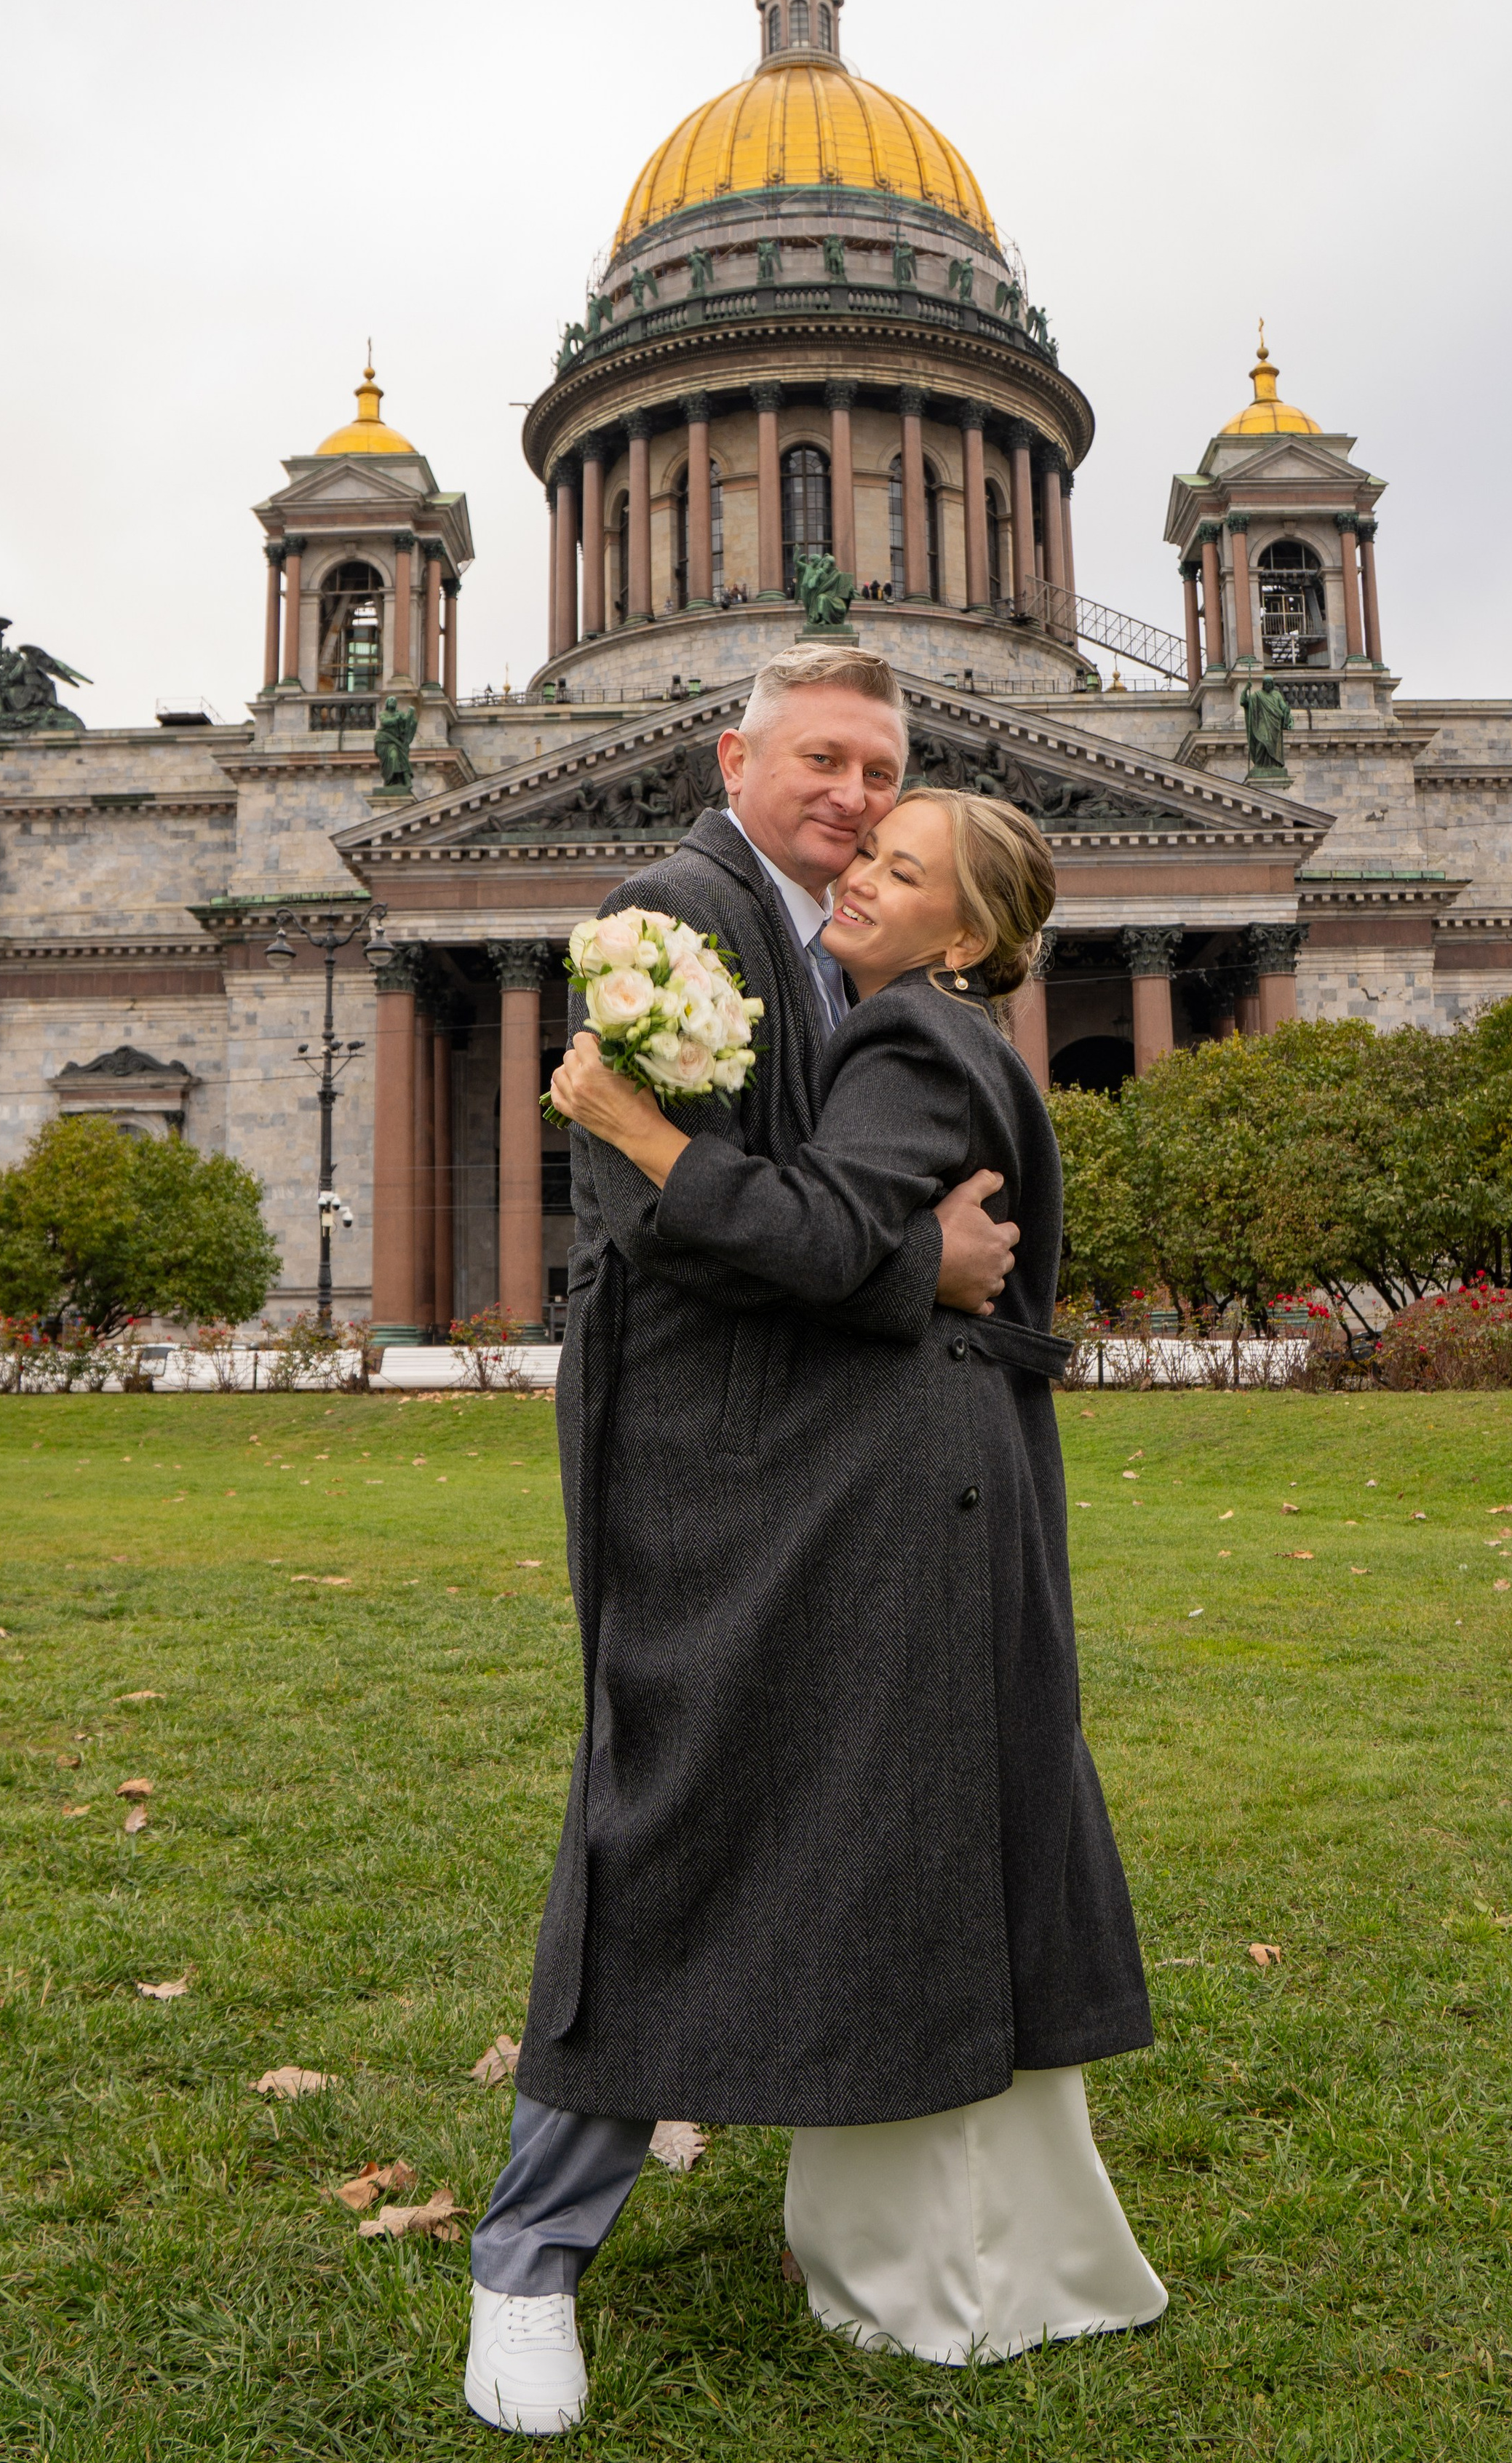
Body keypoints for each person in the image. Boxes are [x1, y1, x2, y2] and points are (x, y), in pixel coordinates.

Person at [464, 648, 1025, 2433]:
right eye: (824, 761)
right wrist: (915, 1263)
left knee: (826, 1803)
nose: (855, 802)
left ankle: (833, 2196)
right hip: (701, 1444)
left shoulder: (836, 942)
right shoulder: (671, 911)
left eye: (883, 774)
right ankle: (527, 2263)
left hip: (831, 1451)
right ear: (735, 754)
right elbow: (665, 1215)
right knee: (669, 1812)